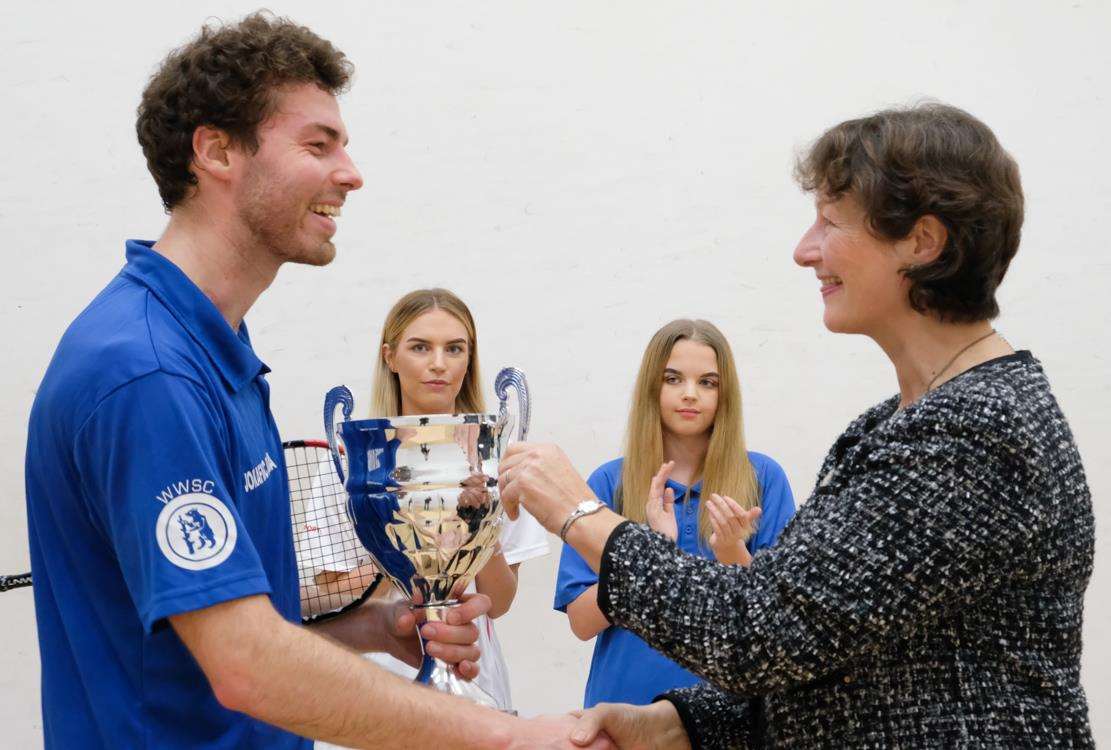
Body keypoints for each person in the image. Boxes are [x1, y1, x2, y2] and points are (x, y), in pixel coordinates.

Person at [23, 13, 607, 750]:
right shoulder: (147, 372)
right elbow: (243, 666)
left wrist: (369, 629)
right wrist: (505, 736)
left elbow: (220, 645)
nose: (350, 173)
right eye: (317, 145)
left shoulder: (215, 349)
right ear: (215, 151)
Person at [498, 103, 1095, 747]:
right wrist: (679, 726)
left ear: (922, 243)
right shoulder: (899, 425)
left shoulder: (976, 434)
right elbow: (833, 663)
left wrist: (578, 511)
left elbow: (757, 632)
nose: (803, 251)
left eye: (830, 223)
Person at [309, 288, 549, 717]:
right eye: (420, 347)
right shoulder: (353, 460)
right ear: (390, 356)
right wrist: (408, 544)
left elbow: (502, 599)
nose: (439, 363)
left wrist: (478, 525)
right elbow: (333, 596)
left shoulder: (497, 457)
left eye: (454, 349)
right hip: (374, 687)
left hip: (472, 677)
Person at [554, 318, 795, 708]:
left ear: (725, 393)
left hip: (732, 717)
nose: (690, 394)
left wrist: (733, 552)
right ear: (652, 386)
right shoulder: (608, 482)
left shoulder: (763, 478)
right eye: (672, 379)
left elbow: (781, 622)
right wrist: (650, 552)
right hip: (624, 707)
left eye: (707, 382)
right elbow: (581, 622)